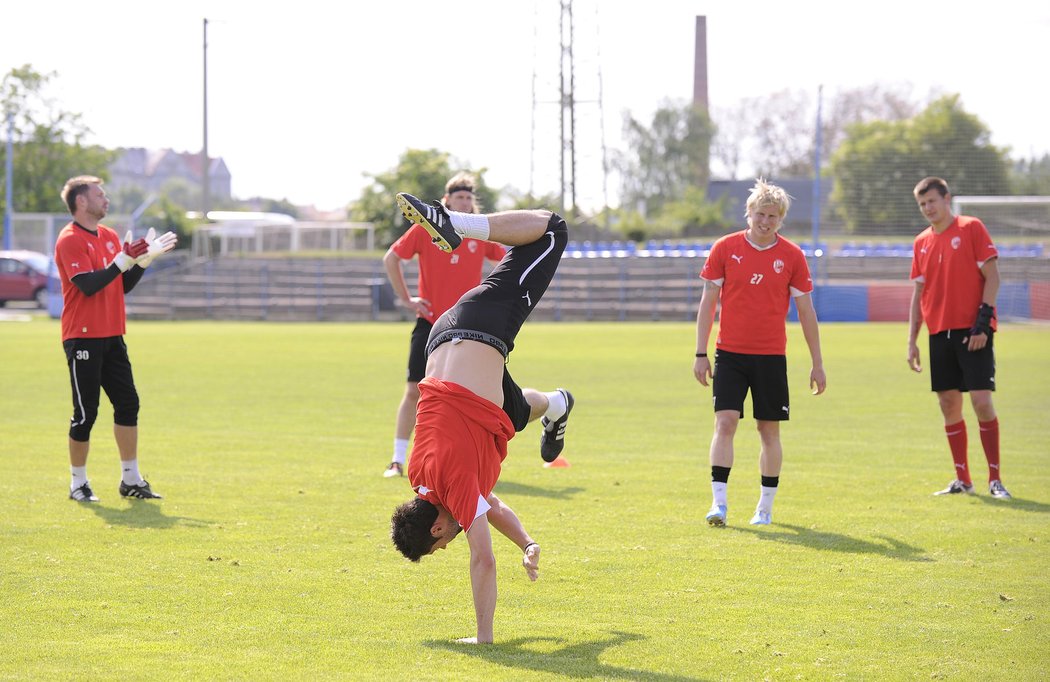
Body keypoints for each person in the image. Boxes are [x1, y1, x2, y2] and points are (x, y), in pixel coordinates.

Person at [389, 191, 573, 644]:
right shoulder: (421, 477)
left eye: (441, 544)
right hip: (447, 336)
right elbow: (490, 506)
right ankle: (558, 405)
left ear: (436, 527)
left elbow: (482, 559)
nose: (449, 544)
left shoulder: (451, 486)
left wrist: (483, 637)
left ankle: (456, 223)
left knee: (552, 230)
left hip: (481, 329)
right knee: (515, 412)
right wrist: (528, 543)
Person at [693, 178, 826, 527]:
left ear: (781, 219)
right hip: (729, 354)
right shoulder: (724, 248)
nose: (765, 222)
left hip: (770, 357)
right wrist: (700, 353)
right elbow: (708, 303)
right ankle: (718, 504)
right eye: (760, 214)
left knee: (769, 431)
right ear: (748, 213)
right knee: (725, 422)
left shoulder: (792, 256)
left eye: (773, 216)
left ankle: (764, 508)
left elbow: (807, 312)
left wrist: (817, 363)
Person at [54, 175, 177, 502]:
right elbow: (88, 285)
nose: (105, 199)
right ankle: (77, 483)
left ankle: (131, 480)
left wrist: (142, 262)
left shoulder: (108, 236)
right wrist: (123, 261)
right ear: (81, 201)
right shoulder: (69, 239)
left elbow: (120, 285)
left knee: (128, 403)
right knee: (86, 413)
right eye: (100, 194)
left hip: (112, 334)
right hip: (83, 338)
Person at [381, 173, 506, 478]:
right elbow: (391, 258)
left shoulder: (478, 234)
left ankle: (461, 461)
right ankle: (398, 459)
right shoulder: (425, 228)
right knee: (414, 390)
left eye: (468, 198)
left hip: (465, 328)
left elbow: (506, 262)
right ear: (447, 201)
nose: (464, 202)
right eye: (458, 198)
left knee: (468, 396)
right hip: (429, 323)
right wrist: (408, 299)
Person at [907, 177, 1010, 499]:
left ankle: (995, 479)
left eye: (932, 202)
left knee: (981, 402)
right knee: (948, 404)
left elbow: (992, 275)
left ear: (946, 198)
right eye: (922, 204)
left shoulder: (971, 228)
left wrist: (983, 322)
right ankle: (963, 479)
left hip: (974, 331)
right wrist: (912, 340)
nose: (927, 209)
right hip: (939, 333)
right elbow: (919, 292)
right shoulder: (921, 242)